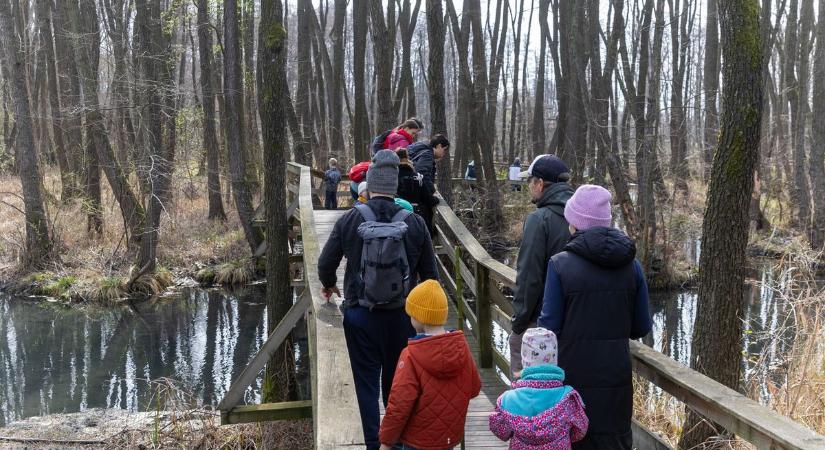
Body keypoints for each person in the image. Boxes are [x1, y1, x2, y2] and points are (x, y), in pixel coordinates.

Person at [317, 150, 439, 450]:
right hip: (403, 318)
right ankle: (395, 442)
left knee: (365, 383)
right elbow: (431, 277)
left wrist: (330, 286)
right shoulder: (414, 222)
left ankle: (372, 442)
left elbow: (325, 264)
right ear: (395, 186)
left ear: (368, 186)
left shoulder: (350, 219)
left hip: (361, 315)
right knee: (399, 385)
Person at [539, 184, 652, 449]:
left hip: (571, 384)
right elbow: (641, 326)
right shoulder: (631, 265)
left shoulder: (560, 265)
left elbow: (548, 329)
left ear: (575, 223)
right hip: (616, 382)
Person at [379, 280, 481, 450]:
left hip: (417, 442)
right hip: (448, 439)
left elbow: (399, 405)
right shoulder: (461, 349)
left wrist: (386, 442)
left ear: (420, 318)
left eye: (411, 315)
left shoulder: (410, 355)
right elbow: (474, 388)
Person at [509, 155, 574, 377]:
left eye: (530, 181)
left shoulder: (540, 219)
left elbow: (529, 277)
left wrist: (519, 321)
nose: (528, 187)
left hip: (540, 322)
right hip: (574, 320)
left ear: (540, 183)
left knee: (526, 388)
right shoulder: (580, 215)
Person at [489, 328, 588, 449]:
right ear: (554, 359)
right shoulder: (568, 399)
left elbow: (501, 431)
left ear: (524, 359)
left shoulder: (507, 400)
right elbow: (580, 430)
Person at [408, 134, 450, 234]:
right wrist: (433, 191)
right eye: (444, 150)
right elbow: (422, 173)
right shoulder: (427, 154)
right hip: (418, 198)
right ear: (439, 146)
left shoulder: (419, 150)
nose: (444, 153)